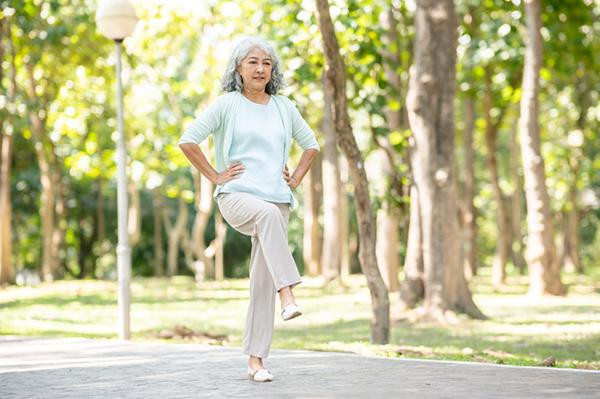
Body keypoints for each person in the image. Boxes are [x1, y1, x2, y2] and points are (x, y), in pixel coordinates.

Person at [178, 36, 320, 382]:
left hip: (276, 199)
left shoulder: (285, 107)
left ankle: (256, 362)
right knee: (268, 218)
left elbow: (311, 145)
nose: (260, 68)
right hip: (237, 197)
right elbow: (188, 139)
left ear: (273, 70)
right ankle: (288, 291)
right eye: (252, 62)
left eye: (266, 63)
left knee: (260, 284)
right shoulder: (228, 104)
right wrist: (214, 175)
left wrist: (296, 178)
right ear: (238, 68)